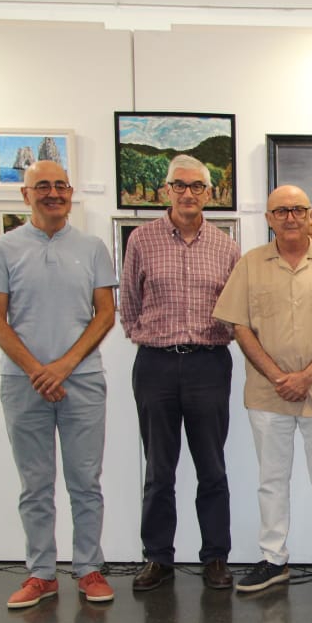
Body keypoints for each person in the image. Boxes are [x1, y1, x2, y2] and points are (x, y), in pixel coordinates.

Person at [213, 185, 312, 597]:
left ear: (311, 214)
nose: (290, 217)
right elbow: (239, 326)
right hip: (268, 393)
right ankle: (273, 559)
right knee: (271, 479)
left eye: (298, 209)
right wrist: (277, 376)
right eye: (280, 211)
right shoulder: (250, 264)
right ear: (268, 218)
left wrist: (307, 375)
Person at [0, 160, 118, 608]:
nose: (53, 193)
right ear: (26, 194)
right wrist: (39, 370)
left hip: (83, 381)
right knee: (35, 484)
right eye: (42, 186)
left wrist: (64, 366)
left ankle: (89, 568)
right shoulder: (2, 249)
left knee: (85, 481)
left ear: (71, 192)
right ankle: (41, 573)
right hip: (23, 384)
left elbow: (105, 314)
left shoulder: (93, 248)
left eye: (60, 185)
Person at [120, 154, 241, 592]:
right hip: (155, 364)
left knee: (212, 467)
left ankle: (216, 557)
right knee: (159, 469)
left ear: (209, 194)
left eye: (197, 186)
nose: (188, 193)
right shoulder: (142, 240)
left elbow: (236, 310)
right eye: (179, 185)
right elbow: (129, 304)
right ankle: (158, 558)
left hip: (209, 363)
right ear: (166, 190)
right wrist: (149, 337)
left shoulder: (226, 247)